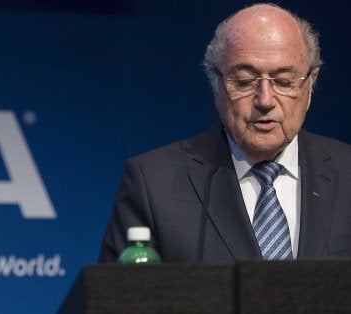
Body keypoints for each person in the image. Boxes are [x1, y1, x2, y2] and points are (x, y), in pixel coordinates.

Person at [99, 3, 351, 264]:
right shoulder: (153, 184)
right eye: (243, 81)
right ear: (216, 83)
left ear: (309, 86)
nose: (265, 100)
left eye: (284, 82)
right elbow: (117, 300)